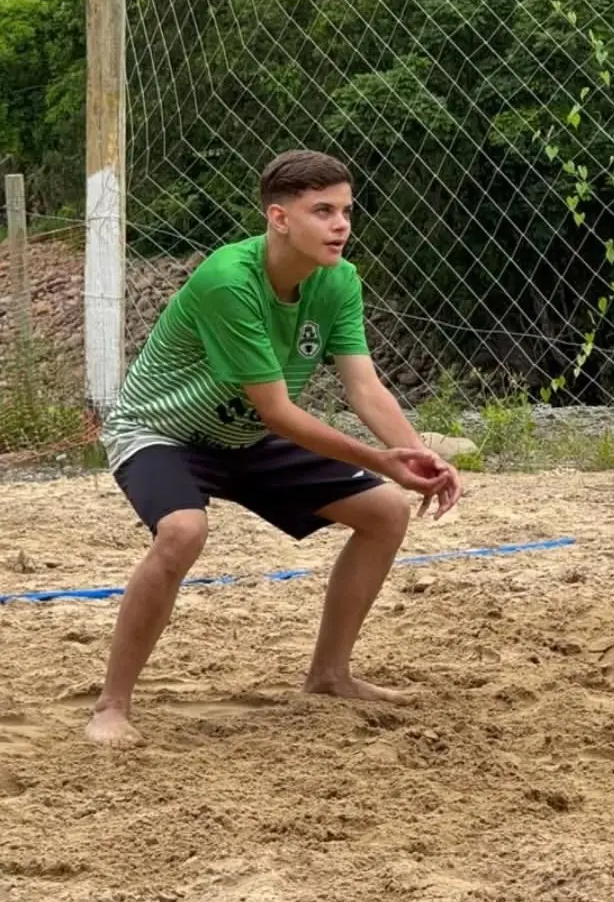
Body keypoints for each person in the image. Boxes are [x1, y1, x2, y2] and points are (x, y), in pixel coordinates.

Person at [88, 150, 463, 748]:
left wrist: (414, 451)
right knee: (183, 530)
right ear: (279, 217)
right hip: (164, 431)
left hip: (243, 435)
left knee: (385, 511)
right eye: (323, 211)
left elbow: (363, 385)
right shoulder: (227, 279)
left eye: (345, 210)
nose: (341, 224)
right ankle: (112, 705)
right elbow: (278, 411)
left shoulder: (337, 279)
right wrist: (380, 459)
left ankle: (330, 675)